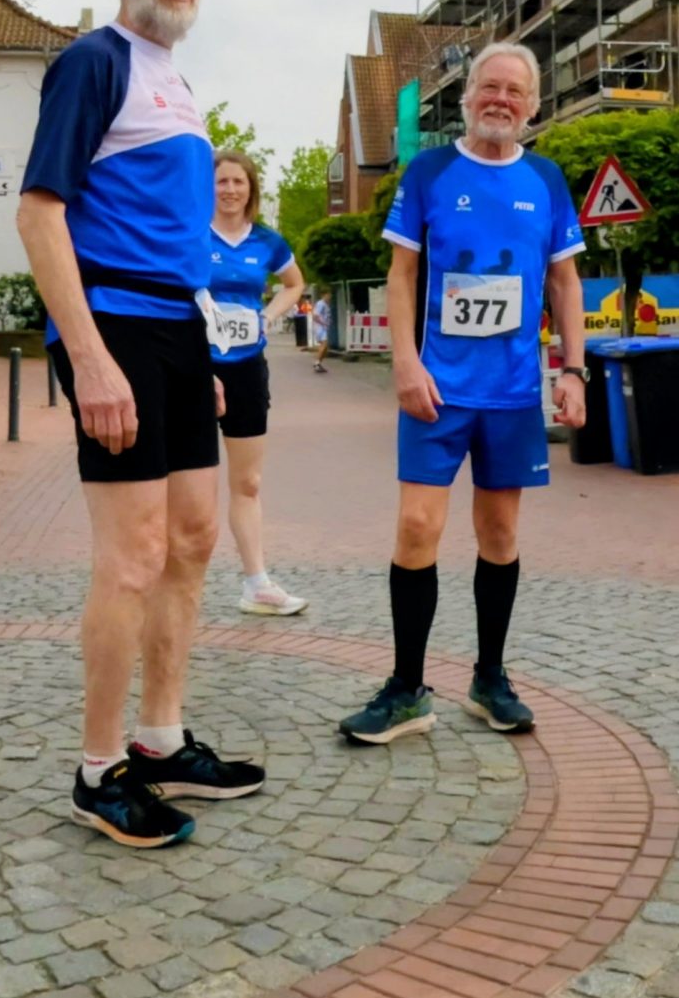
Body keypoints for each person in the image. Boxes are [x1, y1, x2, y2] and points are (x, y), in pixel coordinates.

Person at [15, 0, 266, 850]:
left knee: (196, 536)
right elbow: (41, 215)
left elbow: (173, 237)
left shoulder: (181, 83)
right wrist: (88, 358)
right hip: (112, 326)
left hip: (175, 333)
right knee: (131, 554)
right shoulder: (95, 61)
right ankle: (96, 770)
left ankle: (161, 741)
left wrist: (196, 349)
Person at [338, 41, 587, 746]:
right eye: (490, 86)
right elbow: (400, 273)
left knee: (500, 533)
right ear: (468, 93)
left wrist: (572, 370)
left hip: (511, 393)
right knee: (417, 526)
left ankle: (490, 676)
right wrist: (405, 360)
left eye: (516, 90)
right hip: (437, 390)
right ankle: (407, 687)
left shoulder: (547, 179)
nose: (500, 99)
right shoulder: (431, 171)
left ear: (534, 105)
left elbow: (566, 282)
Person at [203, 147, 311, 617]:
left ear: (251, 189)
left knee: (246, 481)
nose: (229, 190)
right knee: (184, 479)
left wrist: (266, 316)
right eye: (221, 182)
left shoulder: (266, 241)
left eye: (237, 182)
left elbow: (294, 284)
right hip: (192, 367)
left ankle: (257, 583)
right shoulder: (188, 235)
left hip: (246, 366)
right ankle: (165, 580)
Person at [309, 290, 333, 373]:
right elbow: (315, 316)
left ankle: (319, 363)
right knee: (324, 344)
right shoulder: (320, 304)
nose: (330, 297)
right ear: (324, 295)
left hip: (323, 328)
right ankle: (317, 363)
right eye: (328, 294)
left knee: (326, 347)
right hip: (320, 328)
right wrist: (323, 323)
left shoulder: (326, 304)